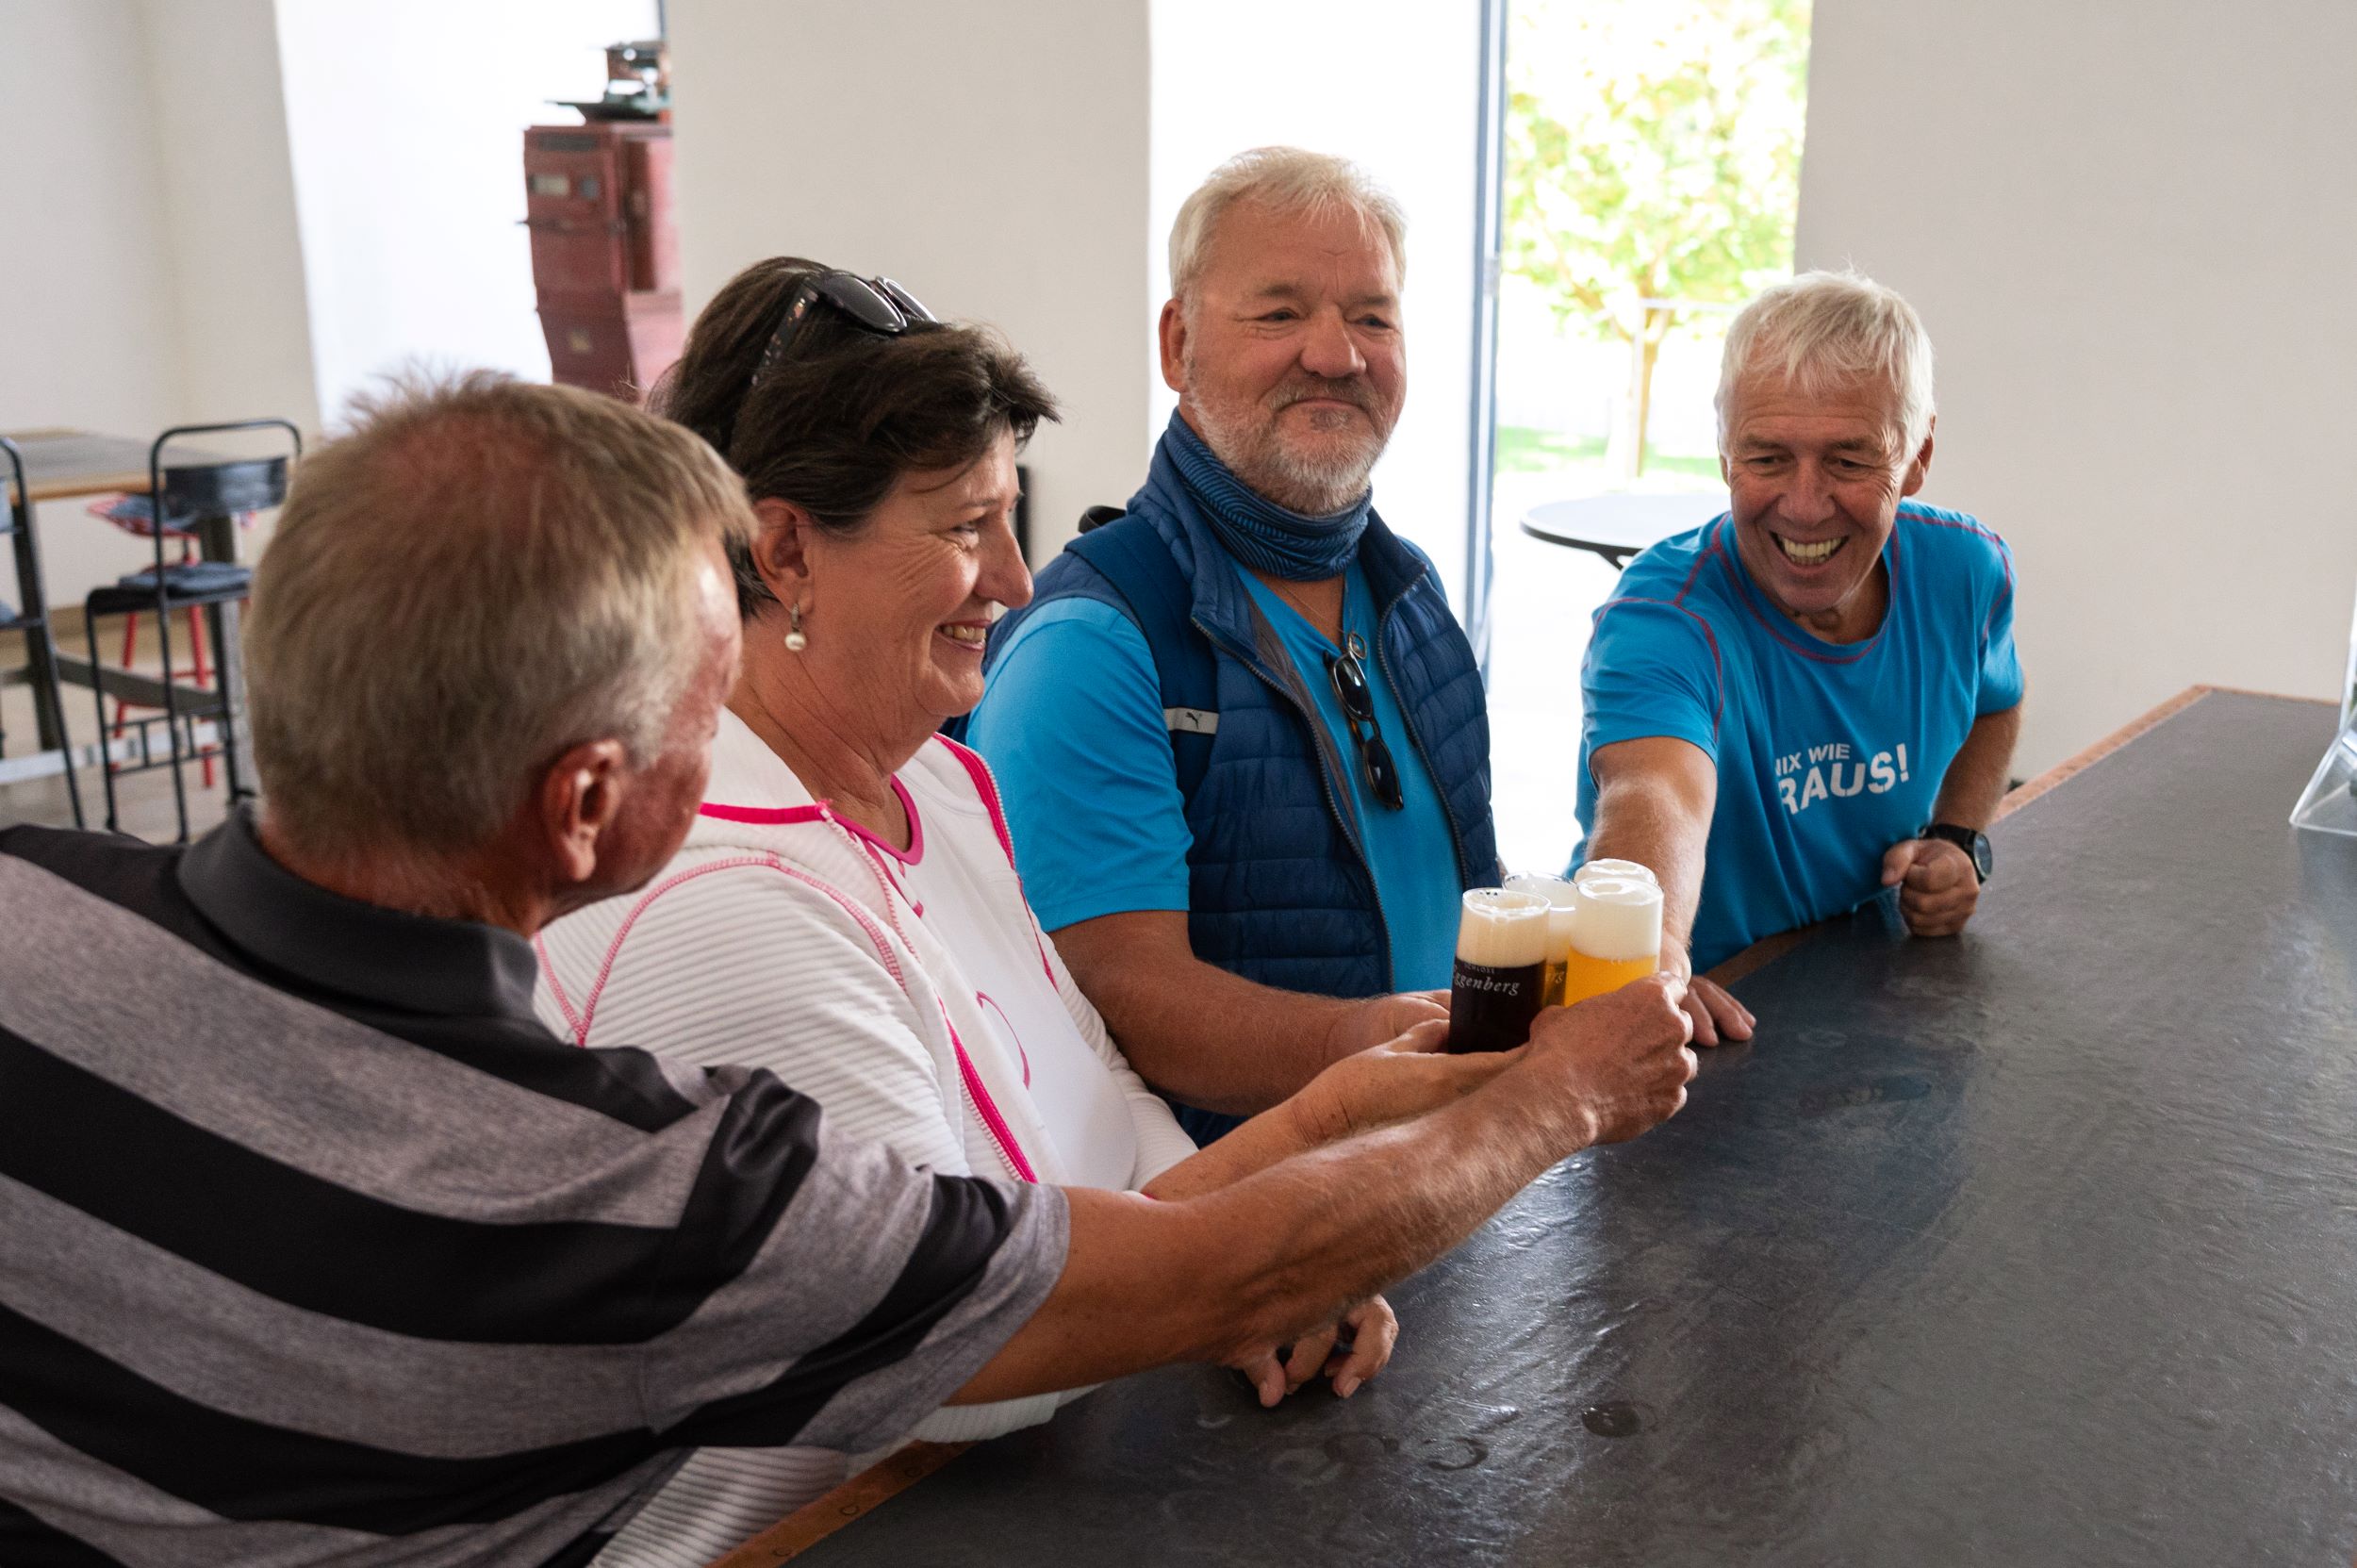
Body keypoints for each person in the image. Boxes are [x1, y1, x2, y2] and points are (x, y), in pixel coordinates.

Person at [0, 371, 1696, 1568]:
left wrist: (1343, 1100)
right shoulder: (647, 1192)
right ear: (588, 804)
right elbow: (1182, 1281)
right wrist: (1551, 1092)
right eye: (703, 675)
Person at [536, 259, 1457, 1556]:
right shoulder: (715, 902)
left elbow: (1101, 1094)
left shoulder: (939, 779)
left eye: (1006, 516)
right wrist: (1285, 1214)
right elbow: (964, 1348)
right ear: (787, 546)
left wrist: (1239, 1264)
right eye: (966, 525)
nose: (1017, 578)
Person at [963, 147, 1497, 1142]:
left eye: (1372, 316)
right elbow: (1118, 994)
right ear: (1176, 344)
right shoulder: (1089, 644)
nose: (1336, 354)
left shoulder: (1412, 596)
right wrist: (1378, 1049)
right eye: (1280, 312)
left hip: (1438, 1181)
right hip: (1240, 1250)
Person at [1574, 270, 2024, 1045]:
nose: (1805, 503)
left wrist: (1956, 839)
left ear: (1916, 459)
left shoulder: (1967, 571)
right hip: (1702, 1018)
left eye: (1849, 461)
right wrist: (1654, 964)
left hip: (1863, 996)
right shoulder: (1662, 618)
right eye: (1768, 458)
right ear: (1723, 455)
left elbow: (1996, 699)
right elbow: (1656, 792)